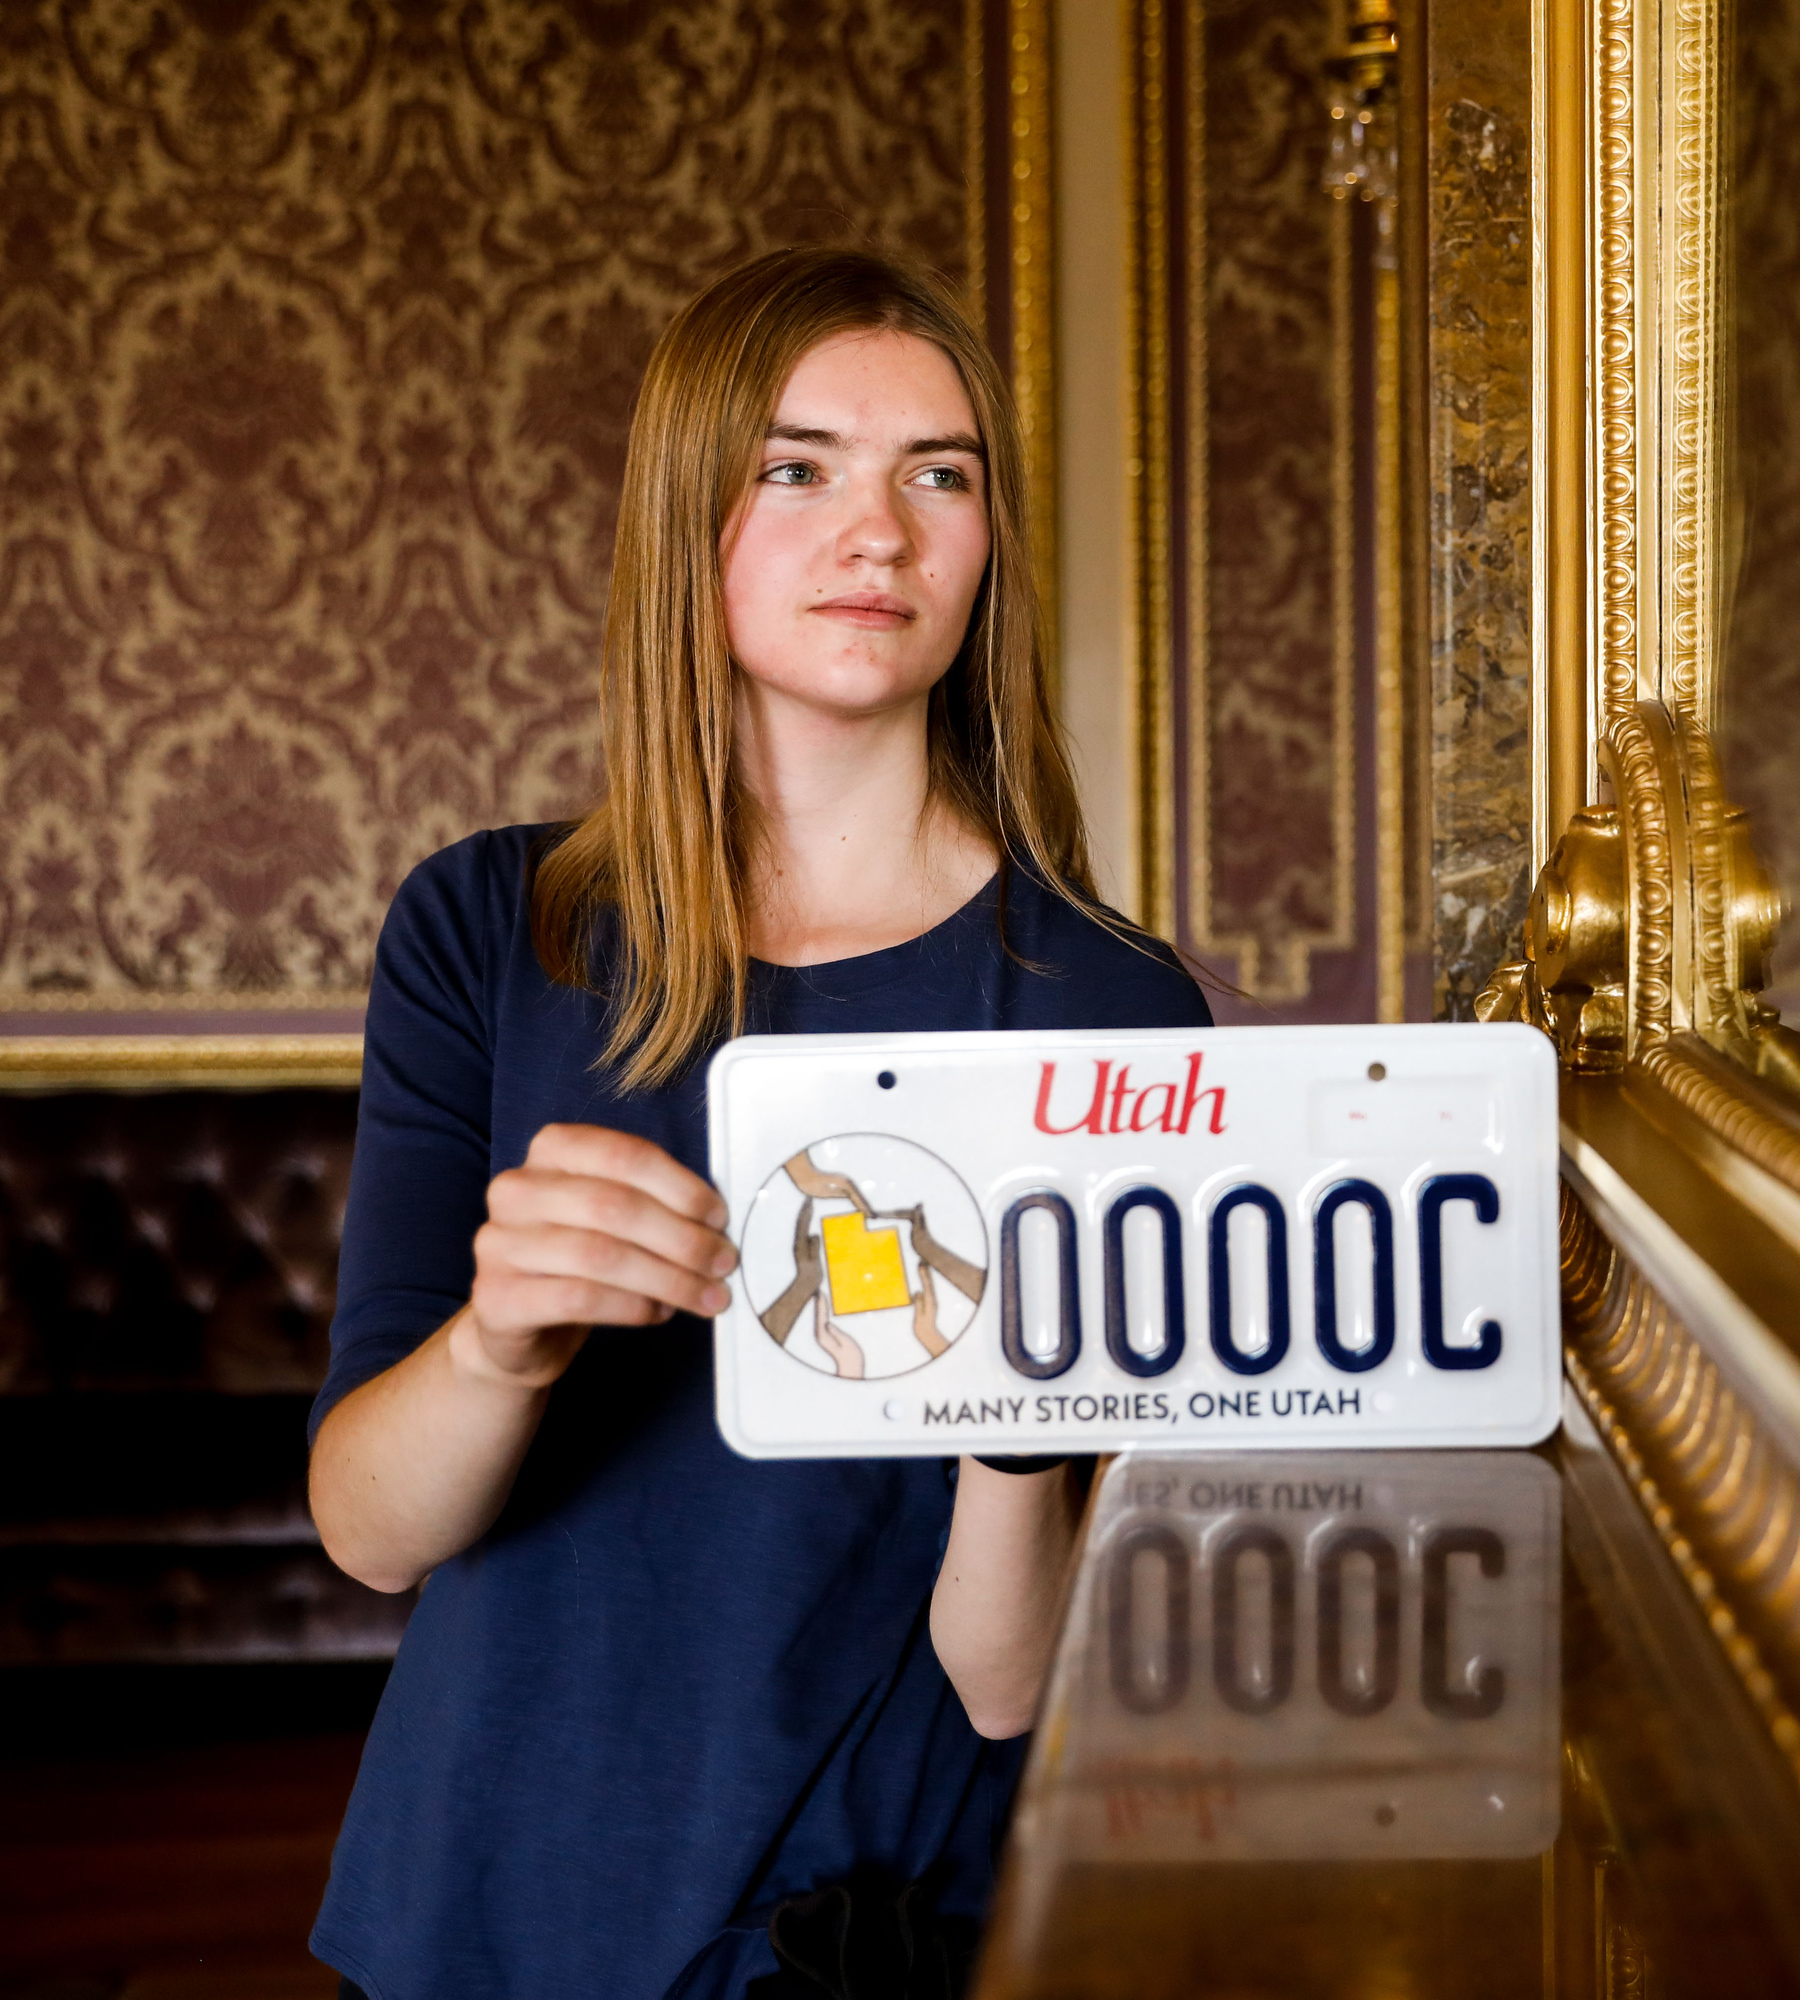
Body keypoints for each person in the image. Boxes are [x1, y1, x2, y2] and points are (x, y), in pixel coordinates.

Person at [305, 246, 1209, 1999]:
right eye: (797, 469)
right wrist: (500, 1346)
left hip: (868, 1933)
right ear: (683, 520)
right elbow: (371, 1529)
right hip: (482, 1902)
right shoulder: (496, 929)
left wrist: (1020, 1419)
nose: (878, 534)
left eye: (937, 475)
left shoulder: (1115, 1010)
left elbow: (1015, 1684)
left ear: (986, 543)